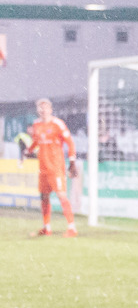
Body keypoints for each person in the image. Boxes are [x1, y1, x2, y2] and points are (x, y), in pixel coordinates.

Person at [28, 98, 79, 237]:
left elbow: (70, 142)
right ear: (38, 110)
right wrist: (29, 150)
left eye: (45, 108)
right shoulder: (36, 124)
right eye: (40, 108)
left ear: (50, 109)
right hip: (43, 167)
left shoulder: (57, 124)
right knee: (44, 196)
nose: (43, 110)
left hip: (56, 167)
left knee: (61, 195)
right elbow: (36, 140)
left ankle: (72, 228)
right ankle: (47, 227)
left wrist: (72, 161)